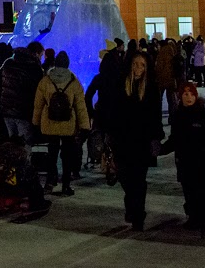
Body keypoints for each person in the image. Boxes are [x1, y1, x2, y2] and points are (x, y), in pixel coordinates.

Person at [102, 50, 163, 231]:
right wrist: (109, 133)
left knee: (139, 180)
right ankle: (132, 207)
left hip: (142, 142)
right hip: (122, 141)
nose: (138, 69)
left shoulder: (151, 88)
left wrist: (156, 138)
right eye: (135, 64)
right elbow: (112, 111)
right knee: (125, 178)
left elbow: (155, 115)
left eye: (142, 65)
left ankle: (138, 215)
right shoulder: (121, 84)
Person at [160, 82, 205, 238]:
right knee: (189, 192)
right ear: (180, 97)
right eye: (185, 94)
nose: (189, 97)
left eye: (191, 94)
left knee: (202, 193)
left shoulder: (203, 116)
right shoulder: (179, 116)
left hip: (201, 163)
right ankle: (194, 218)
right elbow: (174, 139)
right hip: (185, 162)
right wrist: (160, 150)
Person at [31, 51, 89, 196]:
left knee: (51, 154)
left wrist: (35, 122)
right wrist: (85, 126)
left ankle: (50, 182)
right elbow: (80, 106)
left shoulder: (46, 80)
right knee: (67, 155)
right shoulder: (74, 81)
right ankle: (66, 185)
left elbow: (38, 104)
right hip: (68, 124)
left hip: (49, 123)